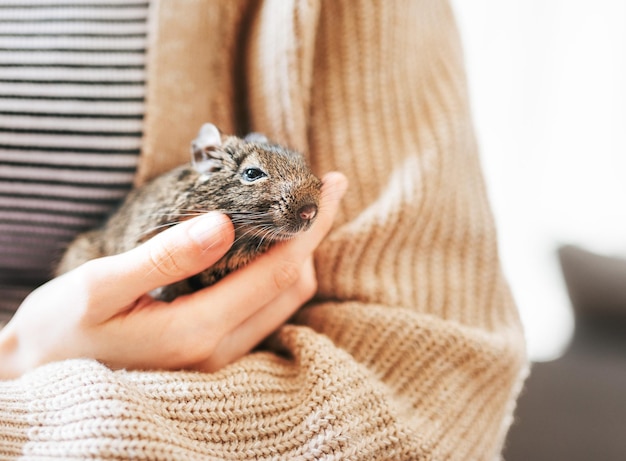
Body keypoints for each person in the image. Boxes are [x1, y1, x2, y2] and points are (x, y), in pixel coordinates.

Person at [0, 1, 527, 460]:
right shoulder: (189, 196)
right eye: (254, 176)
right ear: (208, 163)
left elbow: (441, 399)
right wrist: (16, 363)